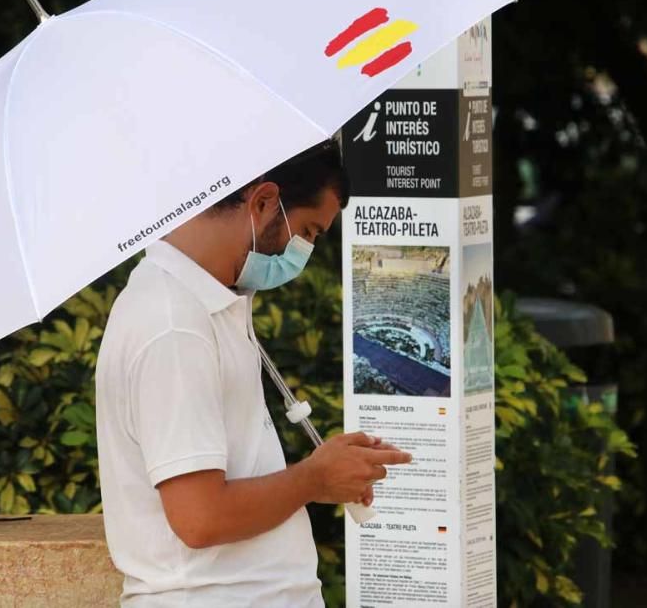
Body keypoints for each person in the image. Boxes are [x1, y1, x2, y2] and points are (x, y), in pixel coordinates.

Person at [95, 137, 413, 607]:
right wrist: (313, 479)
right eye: (309, 231)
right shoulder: (173, 326)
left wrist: (328, 472)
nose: (304, 252)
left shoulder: (209, 305)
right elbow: (200, 518)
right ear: (264, 202)